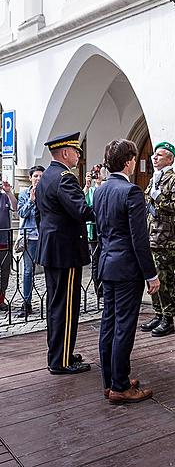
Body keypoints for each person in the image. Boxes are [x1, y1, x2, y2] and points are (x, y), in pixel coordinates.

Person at [93, 139, 160, 404]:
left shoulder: (100, 191)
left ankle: (111, 381)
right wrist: (151, 274)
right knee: (123, 327)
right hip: (127, 269)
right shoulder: (131, 191)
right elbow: (139, 240)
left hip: (107, 264)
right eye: (133, 158)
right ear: (128, 162)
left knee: (108, 324)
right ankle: (120, 386)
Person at [35, 132, 94, 375]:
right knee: (66, 306)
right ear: (66, 152)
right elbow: (81, 211)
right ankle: (61, 361)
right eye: (77, 152)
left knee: (56, 304)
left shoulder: (47, 176)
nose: (79, 156)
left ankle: (61, 351)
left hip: (53, 248)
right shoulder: (64, 178)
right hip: (65, 251)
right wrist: (100, 198)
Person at [142, 141, 175, 337]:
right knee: (153, 279)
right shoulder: (154, 179)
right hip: (150, 237)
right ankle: (158, 313)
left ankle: (168, 317)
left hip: (165, 239)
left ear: (170, 158)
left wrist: (158, 197)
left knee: (165, 279)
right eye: (154, 155)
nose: (155, 158)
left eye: (160, 155)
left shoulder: (174, 181)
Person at [16, 165, 45, 318]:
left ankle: (51, 302)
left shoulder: (47, 193)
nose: (38, 179)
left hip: (45, 237)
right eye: (35, 176)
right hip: (30, 237)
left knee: (49, 269)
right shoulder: (24, 193)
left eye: (41, 176)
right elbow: (21, 212)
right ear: (30, 178)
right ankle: (26, 303)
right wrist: (32, 201)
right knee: (28, 271)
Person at [83, 165, 106, 298]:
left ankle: (106, 285)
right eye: (95, 173)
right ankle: (98, 288)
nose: (97, 176)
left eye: (99, 173)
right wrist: (87, 185)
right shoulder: (90, 190)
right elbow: (82, 202)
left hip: (105, 228)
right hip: (93, 230)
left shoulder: (106, 188)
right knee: (96, 260)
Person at [0, 180, 17, 311]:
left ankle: (1, 299)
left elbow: (15, 208)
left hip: (4, 242)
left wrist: (9, 192)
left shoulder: (4, 197)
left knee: (5, 273)